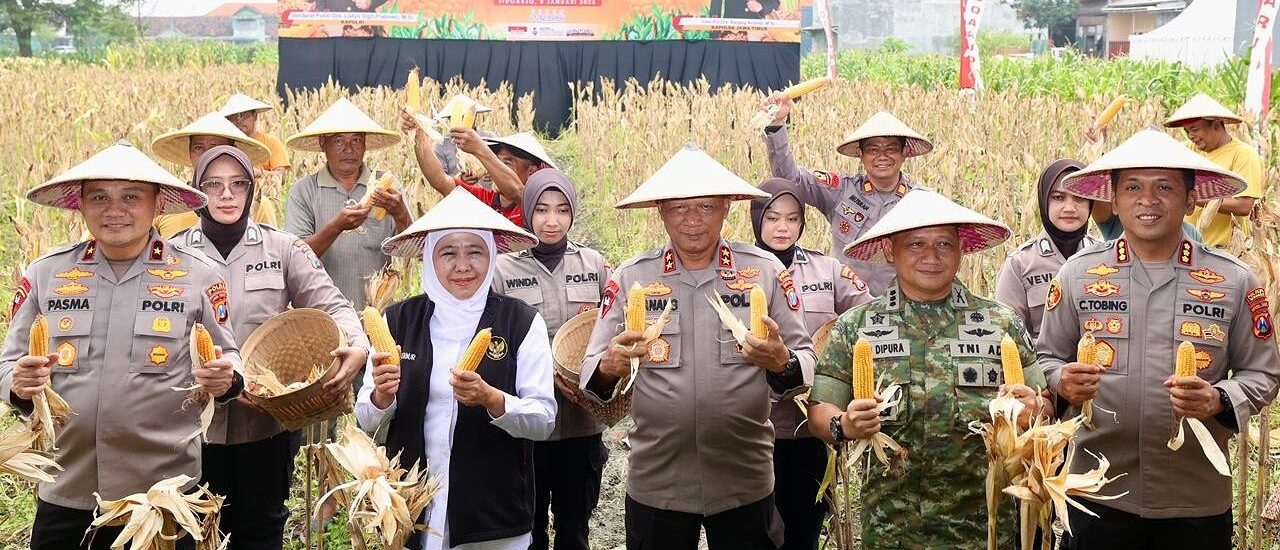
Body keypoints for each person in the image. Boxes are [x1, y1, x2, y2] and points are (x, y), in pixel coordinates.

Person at [1039, 128, 1280, 550]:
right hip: (1096, 491)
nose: (1147, 200)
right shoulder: (1077, 275)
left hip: (1195, 498)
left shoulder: (1234, 280)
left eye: (1165, 187)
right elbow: (1046, 357)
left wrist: (1219, 399)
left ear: (1190, 200)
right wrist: (1062, 382)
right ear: (1114, 200)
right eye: (1132, 187)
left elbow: (1264, 373)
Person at [1, 141, 241, 550]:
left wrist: (227, 379)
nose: (115, 210)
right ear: (81, 204)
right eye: (99, 197)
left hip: (162, 495)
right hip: (67, 488)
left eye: (131, 197)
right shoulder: (46, 273)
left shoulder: (198, 275)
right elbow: (8, 363)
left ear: (157, 204)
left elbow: (229, 355)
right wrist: (18, 385)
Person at [579, 144, 816, 550]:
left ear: (726, 207)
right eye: (678, 208)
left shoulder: (764, 271)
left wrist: (782, 362)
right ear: (661, 211)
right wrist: (609, 365)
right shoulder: (633, 277)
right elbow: (590, 374)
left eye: (706, 207)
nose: (692, 220)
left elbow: (805, 360)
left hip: (744, 479)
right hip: (658, 481)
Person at [806, 188, 1052, 548]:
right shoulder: (856, 326)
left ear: (961, 249)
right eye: (916, 244)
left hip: (985, 530)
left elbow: (1043, 404)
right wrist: (844, 425)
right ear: (890, 249)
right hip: (892, 530)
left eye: (944, 244)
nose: (932, 257)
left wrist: (1034, 411)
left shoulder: (1001, 323)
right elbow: (819, 411)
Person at [173, 146, 371, 550]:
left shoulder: (283, 249)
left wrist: (359, 345)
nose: (226, 195)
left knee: (260, 530)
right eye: (213, 185)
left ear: (252, 190)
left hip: (264, 425)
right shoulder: (173, 255)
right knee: (192, 535)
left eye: (237, 184)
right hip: (192, 430)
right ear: (197, 191)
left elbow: (333, 305)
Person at [357, 188, 557, 550]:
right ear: (430, 258)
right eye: (448, 253)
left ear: (491, 256)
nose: (462, 266)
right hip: (412, 509)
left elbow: (543, 420)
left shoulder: (521, 322)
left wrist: (492, 399)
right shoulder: (398, 321)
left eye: (475, 252)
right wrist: (382, 396)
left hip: (492, 520)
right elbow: (367, 419)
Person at [491, 169, 610, 550]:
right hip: (528, 424)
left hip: (582, 420)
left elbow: (610, 329)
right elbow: (495, 343)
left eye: (562, 210)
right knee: (530, 527)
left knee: (575, 527)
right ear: (528, 212)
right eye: (542, 210)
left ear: (573, 213)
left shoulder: (594, 265)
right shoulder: (503, 269)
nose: (552, 220)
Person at [748, 177, 869, 550]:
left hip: (810, 430)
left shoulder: (827, 269)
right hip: (753, 430)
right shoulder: (738, 271)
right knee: (755, 533)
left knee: (804, 531)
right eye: (772, 218)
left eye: (792, 219)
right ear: (756, 220)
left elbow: (869, 314)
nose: (782, 227)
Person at [762, 101, 934, 296]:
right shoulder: (840, 190)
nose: (882, 156)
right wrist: (777, 123)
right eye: (873, 150)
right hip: (844, 306)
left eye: (891, 149)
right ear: (861, 154)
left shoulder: (921, 202)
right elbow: (791, 181)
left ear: (905, 153)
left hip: (900, 306)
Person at [283, 97, 413, 311]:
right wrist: (336, 227)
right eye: (339, 141)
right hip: (322, 313)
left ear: (365, 144)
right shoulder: (304, 191)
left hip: (375, 310)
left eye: (356, 140)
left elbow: (412, 252)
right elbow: (295, 258)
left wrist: (400, 214)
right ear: (322, 143)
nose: (349, 149)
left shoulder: (387, 187)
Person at [995, 159, 1098, 339]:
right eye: (1058, 197)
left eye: (1080, 197)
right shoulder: (1020, 264)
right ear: (1044, 201)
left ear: (1091, 203)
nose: (1069, 208)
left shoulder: (1107, 258)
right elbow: (1008, 336)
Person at [403, 108, 555, 228]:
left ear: (531, 171)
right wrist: (418, 135)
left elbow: (516, 191)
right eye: (497, 161)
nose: (496, 168)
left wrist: (480, 150)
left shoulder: (535, 205)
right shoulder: (485, 200)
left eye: (507, 163)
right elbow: (439, 180)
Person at [1164, 93, 1266, 247]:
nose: (1190, 136)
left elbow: (1244, 206)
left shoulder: (1243, 154)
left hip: (1223, 250)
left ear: (1217, 126)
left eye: (1194, 129)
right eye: (1187, 131)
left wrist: (1194, 198)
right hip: (1186, 247)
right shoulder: (1189, 149)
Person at [149, 111, 274, 238]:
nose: (207, 155)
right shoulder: (165, 205)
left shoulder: (257, 205)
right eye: (198, 148)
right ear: (190, 153)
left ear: (233, 153)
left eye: (215, 147)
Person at [219, 93, 292, 181]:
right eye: (234, 118)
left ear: (255, 116)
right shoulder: (224, 143)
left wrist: (258, 173)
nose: (239, 121)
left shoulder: (270, 141)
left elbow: (282, 176)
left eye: (244, 116)